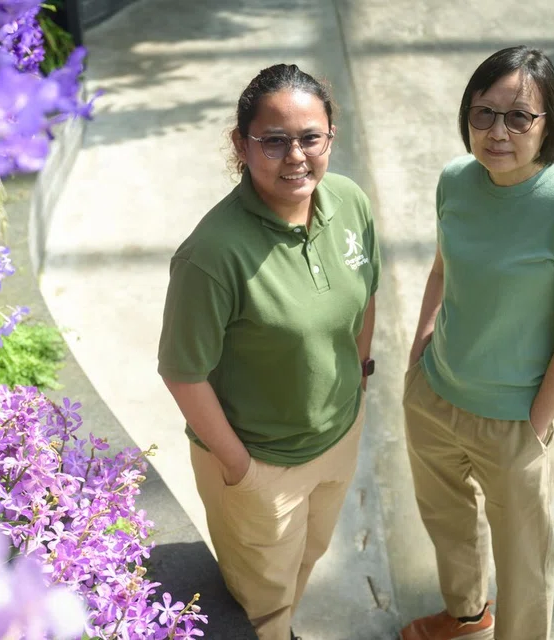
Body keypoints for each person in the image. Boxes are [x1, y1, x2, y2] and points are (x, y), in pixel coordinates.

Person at [157, 64, 380, 640]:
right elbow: (183, 372)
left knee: (307, 558)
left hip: (338, 435)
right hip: (261, 464)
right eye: (274, 141)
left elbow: (366, 288)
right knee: (261, 603)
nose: (295, 156)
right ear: (242, 143)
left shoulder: (350, 201)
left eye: (310, 138)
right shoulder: (211, 255)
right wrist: (241, 469)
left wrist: (358, 373)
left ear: (331, 135)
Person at [400, 46, 554, 640]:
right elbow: (442, 270)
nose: (498, 131)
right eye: (483, 113)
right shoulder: (455, 181)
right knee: (448, 522)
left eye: (519, 117)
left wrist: (536, 424)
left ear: (550, 125)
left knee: (524, 562)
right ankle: (467, 615)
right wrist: (419, 355)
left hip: (516, 421)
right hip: (435, 396)